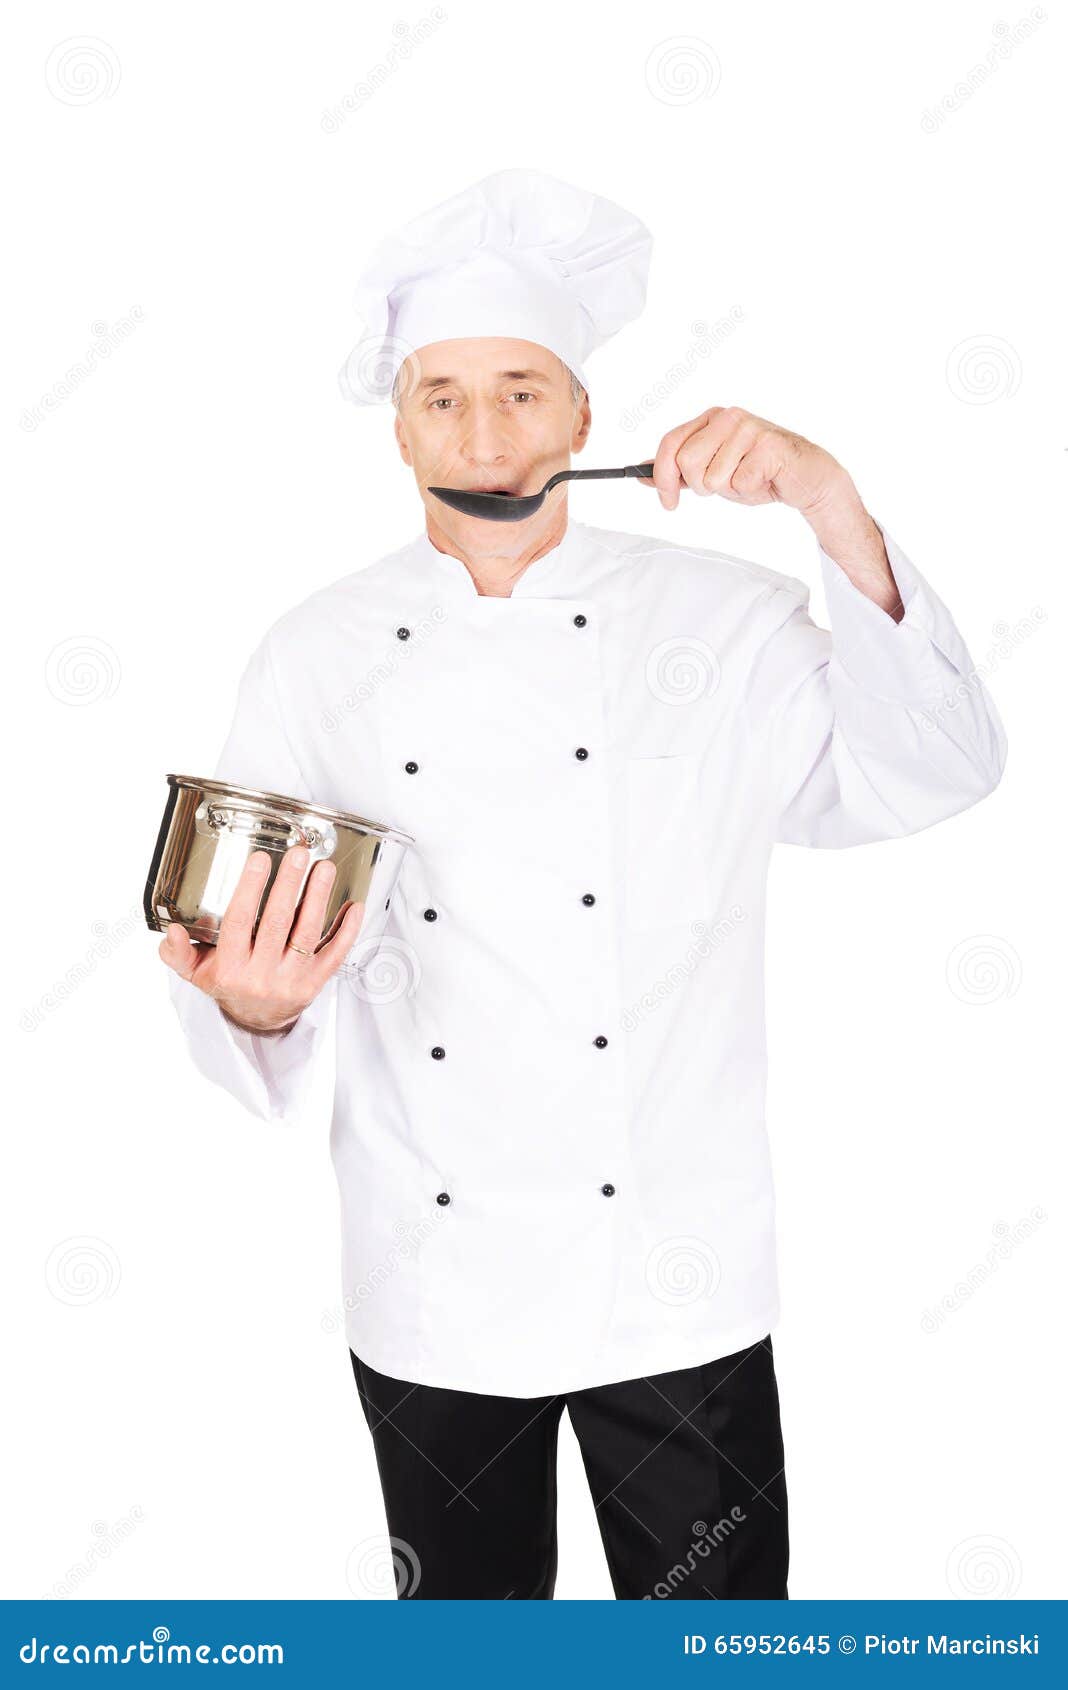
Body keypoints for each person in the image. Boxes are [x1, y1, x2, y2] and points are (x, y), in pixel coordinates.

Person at [159, 169, 1007, 1600]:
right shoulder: (314, 653)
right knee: (470, 1646)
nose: (484, 434)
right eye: (443, 398)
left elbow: (942, 765)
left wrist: (826, 497)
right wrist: (248, 1004)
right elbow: (245, 949)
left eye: (523, 392)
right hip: (433, 1276)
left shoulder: (725, 622)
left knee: (716, 1649)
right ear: (398, 428)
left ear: (584, 419)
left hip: (677, 1266)